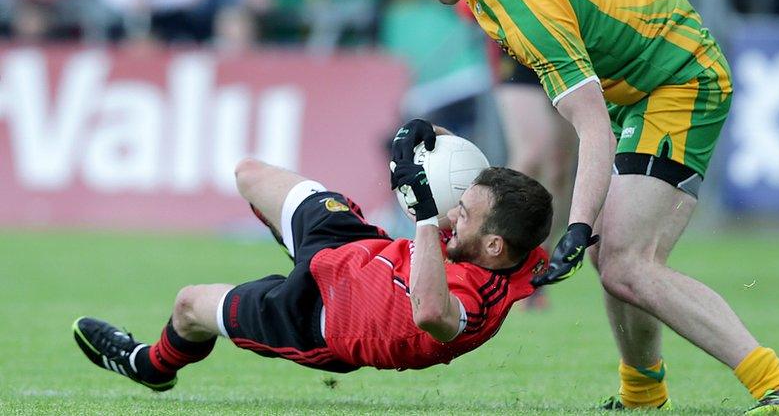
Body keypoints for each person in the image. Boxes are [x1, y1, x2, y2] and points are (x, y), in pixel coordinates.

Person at [202, 0, 779, 413]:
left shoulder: (525, 4)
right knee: (624, 259)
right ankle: (642, 395)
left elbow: (591, 129)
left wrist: (577, 229)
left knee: (625, 260)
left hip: (679, 81)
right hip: (645, 72)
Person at [72, 131, 553, 390]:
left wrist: (423, 217)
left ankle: (149, 365)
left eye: (463, 215)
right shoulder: (513, 242)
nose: (452, 216)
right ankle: (292, 241)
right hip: (352, 246)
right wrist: (431, 140)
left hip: (318, 317)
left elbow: (430, 312)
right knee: (249, 173)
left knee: (188, 306)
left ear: (493, 247)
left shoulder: (479, 296)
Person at [475, 0, 658, 310]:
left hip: (575, 38)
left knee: (558, 165)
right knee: (531, 152)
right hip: (517, 35)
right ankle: (493, 270)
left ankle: (532, 269)